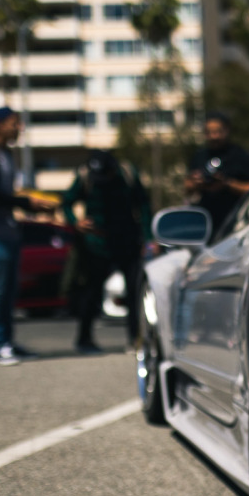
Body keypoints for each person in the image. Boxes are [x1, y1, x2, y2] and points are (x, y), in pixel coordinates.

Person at [0, 106, 54, 366]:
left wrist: (25, 205)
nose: (20, 128)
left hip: (6, 233)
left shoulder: (6, 153)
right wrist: (27, 203)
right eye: (15, 123)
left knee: (7, 294)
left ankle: (7, 342)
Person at [61, 149, 152, 354]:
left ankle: (135, 340)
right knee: (90, 293)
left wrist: (148, 238)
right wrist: (76, 222)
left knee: (134, 293)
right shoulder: (86, 177)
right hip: (97, 244)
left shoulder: (128, 175)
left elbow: (144, 205)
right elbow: (67, 202)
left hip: (127, 241)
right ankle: (85, 340)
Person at [185, 112, 249, 230]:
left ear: (227, 130)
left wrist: (227, 183)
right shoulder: (200, 155)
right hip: (207, 223)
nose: (214, 136)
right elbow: (187, 187)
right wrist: (197, 183)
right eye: (209, 132)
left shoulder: (239, 155)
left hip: (236, 222)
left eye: (218, 131)